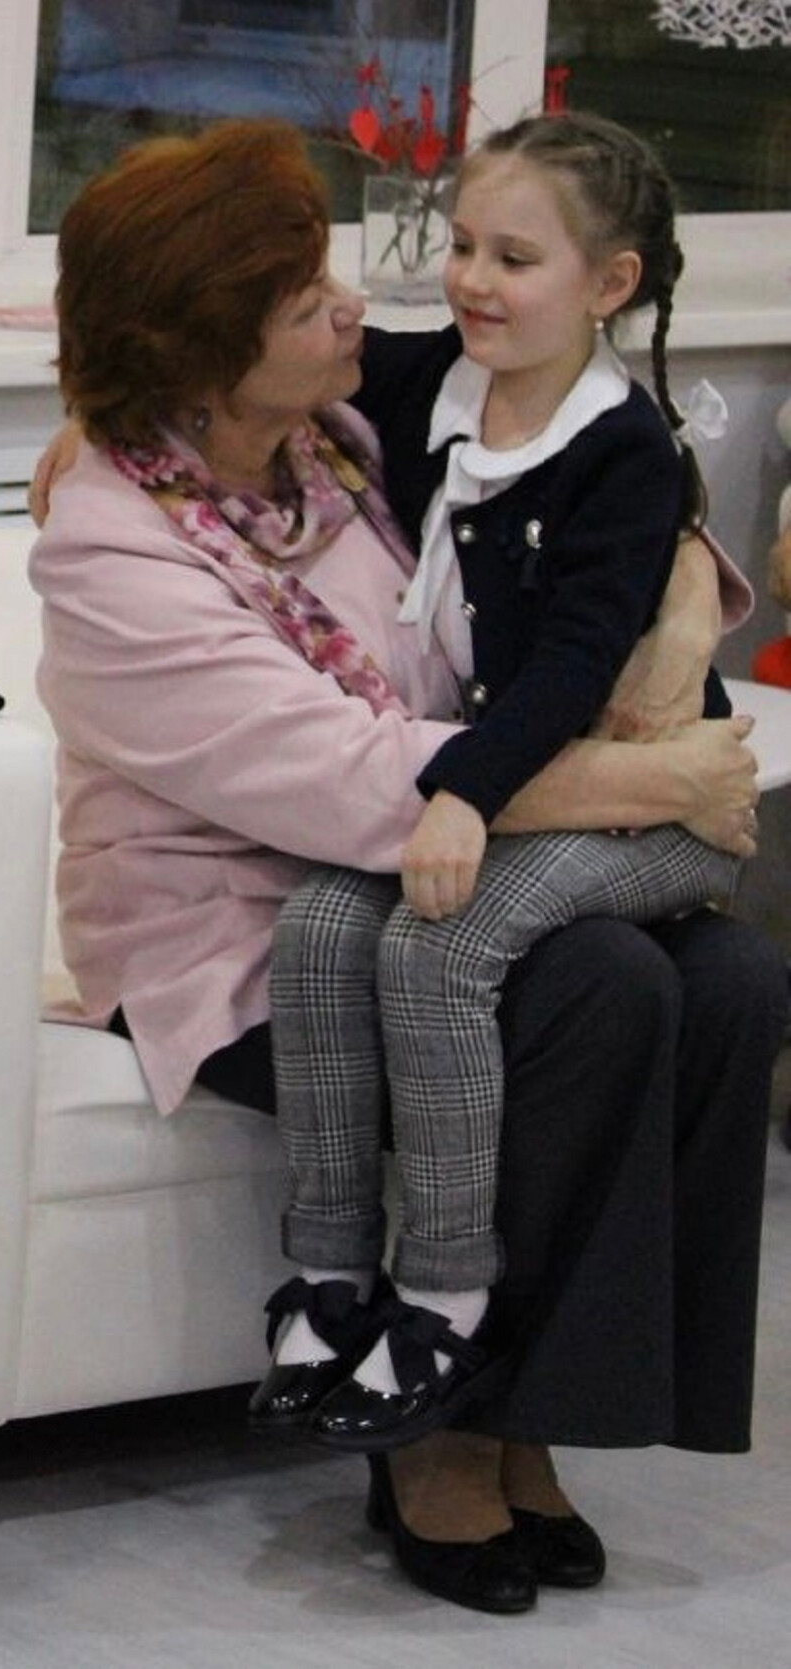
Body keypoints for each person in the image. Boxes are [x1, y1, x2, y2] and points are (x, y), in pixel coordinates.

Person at [28, 119, 786, 1618]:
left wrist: (692, 606)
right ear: (206, 348)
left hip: (434, 868)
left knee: (734, 978)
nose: (355, 307)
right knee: (597, 983)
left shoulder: (343, 439)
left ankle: (542, 1409)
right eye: (307, 297)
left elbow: (600, 489)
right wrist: (663, 779)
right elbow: (356, 778)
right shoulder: (109, 548)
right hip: (242, 933)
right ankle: (440, 1431)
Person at [252, 111, 742, 1452]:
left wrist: (462, 796)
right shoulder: (428, 379)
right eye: (462, 244)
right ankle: (330, 1275)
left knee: (437, 942)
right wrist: (107, 432)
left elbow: (577, 658)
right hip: (514, 788)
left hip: (652, 801)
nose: (471, 279)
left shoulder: (620, 449)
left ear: (609, 284)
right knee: (318, 924)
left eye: (514, 259)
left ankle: (443, 1291)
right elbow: (251, 371)